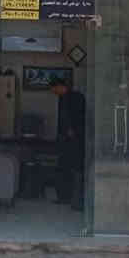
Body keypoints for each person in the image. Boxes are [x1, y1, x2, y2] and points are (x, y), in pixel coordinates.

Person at [49, 76, 86, 210]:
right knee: (66, 169)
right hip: (68, 140)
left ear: (59, 86)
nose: (53, 92)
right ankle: (67, 198)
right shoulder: (65, 98)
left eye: (54, 89)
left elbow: (76, 118)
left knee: (73, 170)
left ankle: (74, 200)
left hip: (74, 141)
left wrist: (72, 131)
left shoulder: (74, 98)